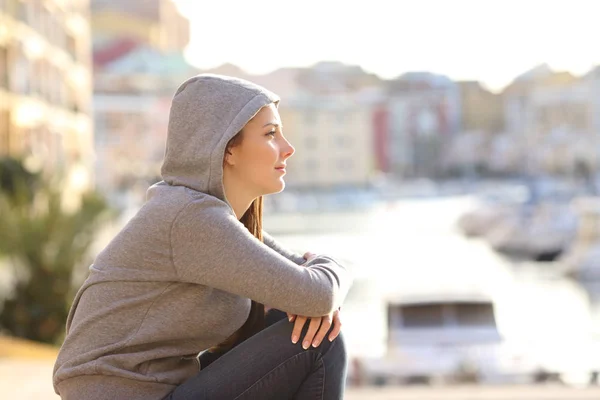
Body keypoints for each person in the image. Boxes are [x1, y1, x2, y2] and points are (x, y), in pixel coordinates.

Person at [52, 74, 353, 400]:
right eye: (270, 134)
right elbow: (318, 292)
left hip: (164, 391)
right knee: (321, 339)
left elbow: (308, 286)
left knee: (297, 322)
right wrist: (330, 276)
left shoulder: (213, 219)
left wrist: (323, 286)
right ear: (226, 150)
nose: (288, 148)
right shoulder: (190, 219)